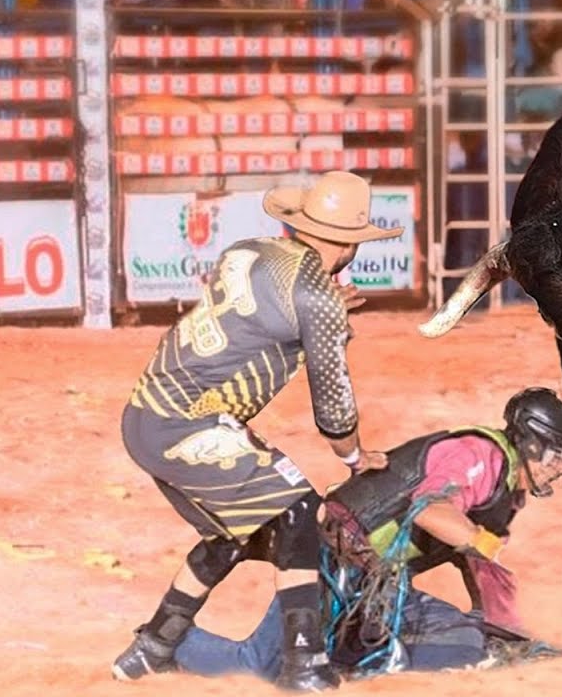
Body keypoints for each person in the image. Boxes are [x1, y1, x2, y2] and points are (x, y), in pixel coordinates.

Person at [111, 171, 400, 691]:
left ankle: (152, 647)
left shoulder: (252, 250)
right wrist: (356, 459)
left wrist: (327, 312)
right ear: (351, 243)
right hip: (188, 425)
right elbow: (334, 410)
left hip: (146, 413)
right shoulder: (317, 299)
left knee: (234, 528)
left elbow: (263, 315)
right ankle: (304, 664)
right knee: (299, 513)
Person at [165, 387, 562, 683]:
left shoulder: (507, 490)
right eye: (558, 455)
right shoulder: (479, 456)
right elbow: (432, 512)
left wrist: (505, 630)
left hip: (370, 579)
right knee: (259, 666)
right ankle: (168, 645)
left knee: (469, 643)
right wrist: (483, 542)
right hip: (330, 558)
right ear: (531, 445)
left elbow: (479, 563)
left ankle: (350, 649)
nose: (561, 467)